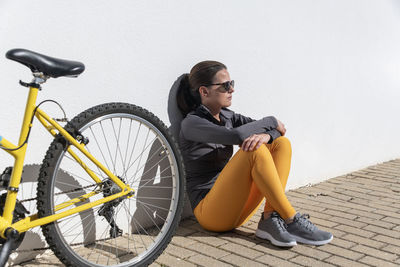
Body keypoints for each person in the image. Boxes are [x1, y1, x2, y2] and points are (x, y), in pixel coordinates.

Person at [175, 60, 333, 247]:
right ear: (204, 91)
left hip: (237, 207)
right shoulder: (192, 124)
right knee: (253, 149)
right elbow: (237, 135)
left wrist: (268, 135)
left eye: (232, 84)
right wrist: (272, 120)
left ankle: (270, 218)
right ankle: (290, 218)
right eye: (225, 86)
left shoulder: (228, 116)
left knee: (280, 144)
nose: (232, 90)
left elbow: (278, 131)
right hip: (210, 215)